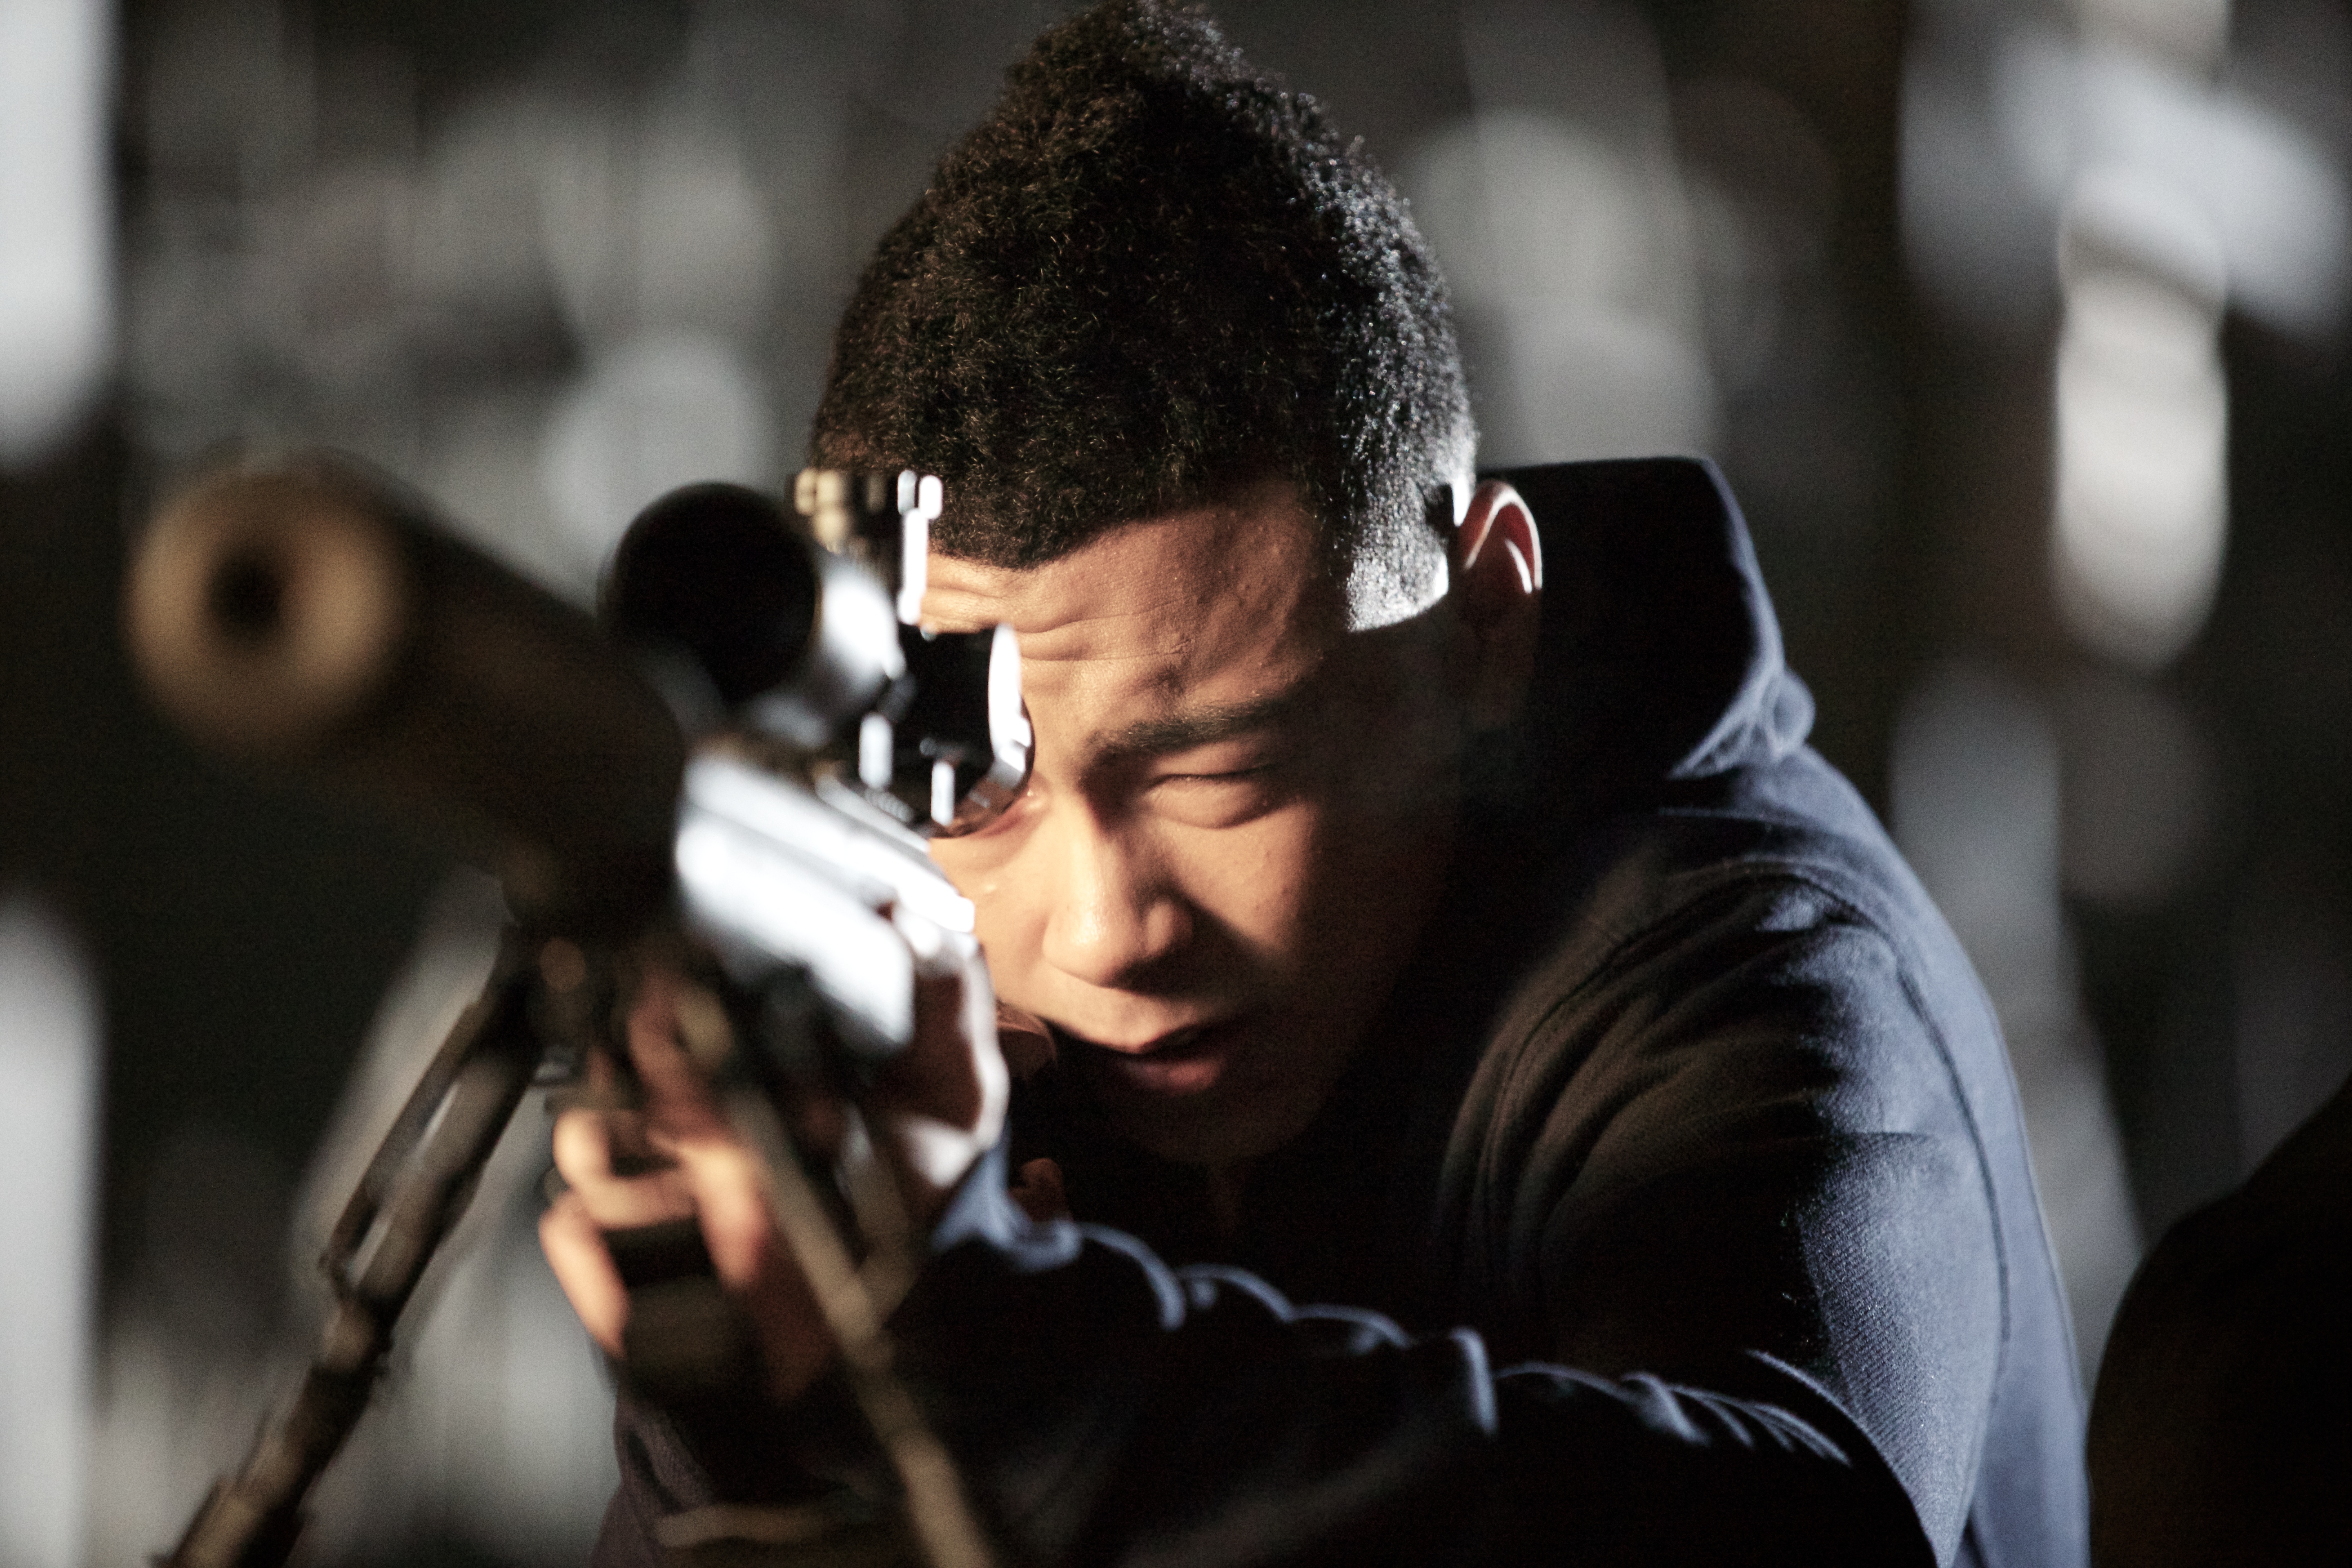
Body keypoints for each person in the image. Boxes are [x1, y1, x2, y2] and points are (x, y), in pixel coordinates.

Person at [539, 3, 2088, 1563]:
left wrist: (983, 1346)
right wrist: (754, 1404)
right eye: (974, 788)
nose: (1102, 931)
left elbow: (1789, 1530)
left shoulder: (1757, 968)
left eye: (1220, 769)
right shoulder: (984, 1025)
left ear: (1482, 619)